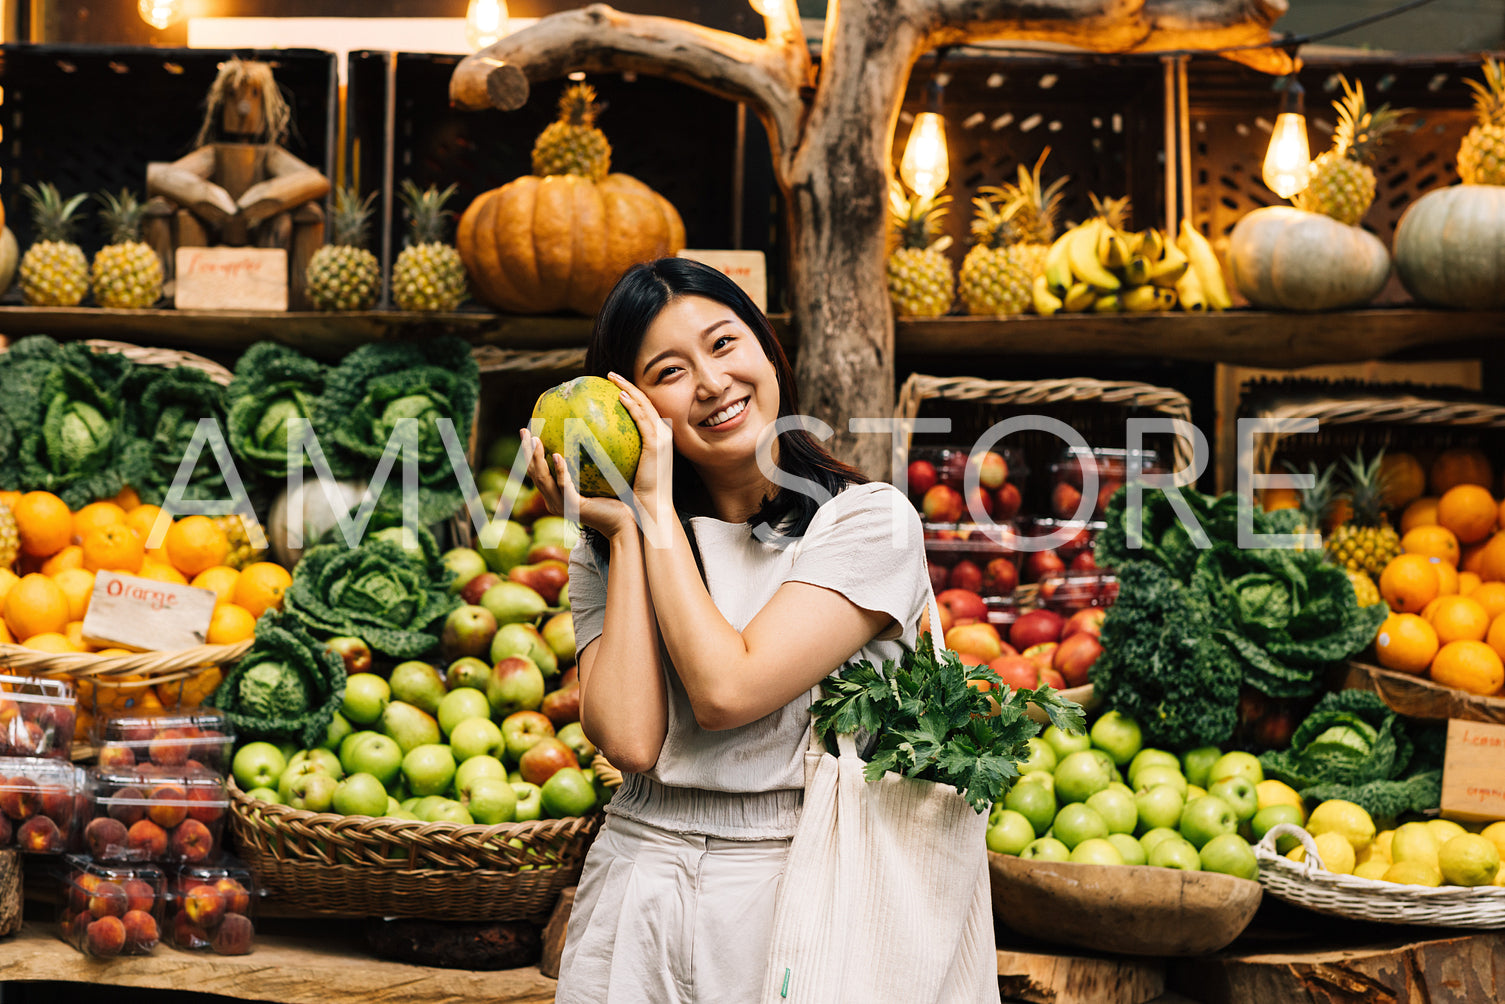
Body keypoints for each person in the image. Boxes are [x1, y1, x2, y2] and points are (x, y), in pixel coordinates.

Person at [521, 257, 933, 1002]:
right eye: (668, 371)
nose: (712, 384)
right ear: (629, 406)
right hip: (636, 880)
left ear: (768, 350)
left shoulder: (868, 523)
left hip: (797, 879)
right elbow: (631, 741)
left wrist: (646, 518)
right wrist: (626, 534)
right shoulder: (614, 543)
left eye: (723, 344)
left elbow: (726, 689)